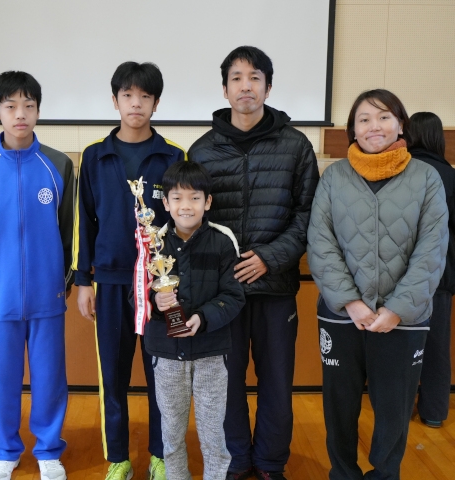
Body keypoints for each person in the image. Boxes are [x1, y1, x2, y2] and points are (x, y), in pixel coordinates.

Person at [188, 46, 319, 480]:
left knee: (276, 382)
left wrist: (269, 257)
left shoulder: (296, 146)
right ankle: (235, 459)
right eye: (237, 78)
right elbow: (192, 220)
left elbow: (308, 215)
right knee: (225, 383)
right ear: (225, 89)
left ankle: (269, 463)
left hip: (275, 286)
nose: (246, 86)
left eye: (255, 77)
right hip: (222, 293)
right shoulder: (202, 151)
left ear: (268, 86)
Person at [307, 89, 448, 480]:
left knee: (394, 409)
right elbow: (320, 243)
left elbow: (432, 249)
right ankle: (343, 474)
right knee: (339, 406)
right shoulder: (334, 177)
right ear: (352, 130)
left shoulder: (426, 177)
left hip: (404, 318)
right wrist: (350, 302)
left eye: (384, 117)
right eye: (364, 119)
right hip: (341, 316)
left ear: (400, 124)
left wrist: (397, 309)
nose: (374, 126)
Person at [0, 71, 74, 480]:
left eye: (28, 106)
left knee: (50, 379)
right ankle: (4, 451)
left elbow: (71, 230)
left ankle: (49, 450)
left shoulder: (58, 165)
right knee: (2, 380)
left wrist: (65, 281)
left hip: (47, 296)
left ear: (38, 111)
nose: (20, 114)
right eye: (10, 106)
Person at [73, 61, 186, 480]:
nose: (136, 103)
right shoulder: (94, 156)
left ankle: (161, 454)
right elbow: (84, 222)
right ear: (115, 100)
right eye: (127, 95)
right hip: (110, 282)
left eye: (145, 96)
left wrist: (177, 283)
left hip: (160, 288)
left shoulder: (173, 155)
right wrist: (83, 281)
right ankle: (118, 457)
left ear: (156, 103)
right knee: (113, 375)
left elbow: (184, 223)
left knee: (164, 376)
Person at [146, 161, 245, 480]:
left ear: (208, 201)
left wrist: (203, 317)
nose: (186, 206)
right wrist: (155, 301)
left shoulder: (222, 241)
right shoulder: (152, 242)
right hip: (166, 355)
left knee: (214, 436)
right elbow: (137, 295)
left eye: (194, 198)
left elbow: (234, 296)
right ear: (165, 203)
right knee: (171, 435)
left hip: (211, 355)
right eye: (177, 198)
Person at [406, 112, 455, 428]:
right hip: (440, 274)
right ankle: (434, 412)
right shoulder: (450, 175)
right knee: (437, 346)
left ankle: (398, 407)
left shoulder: (403, 171)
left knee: (401, 344)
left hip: (401, 274)